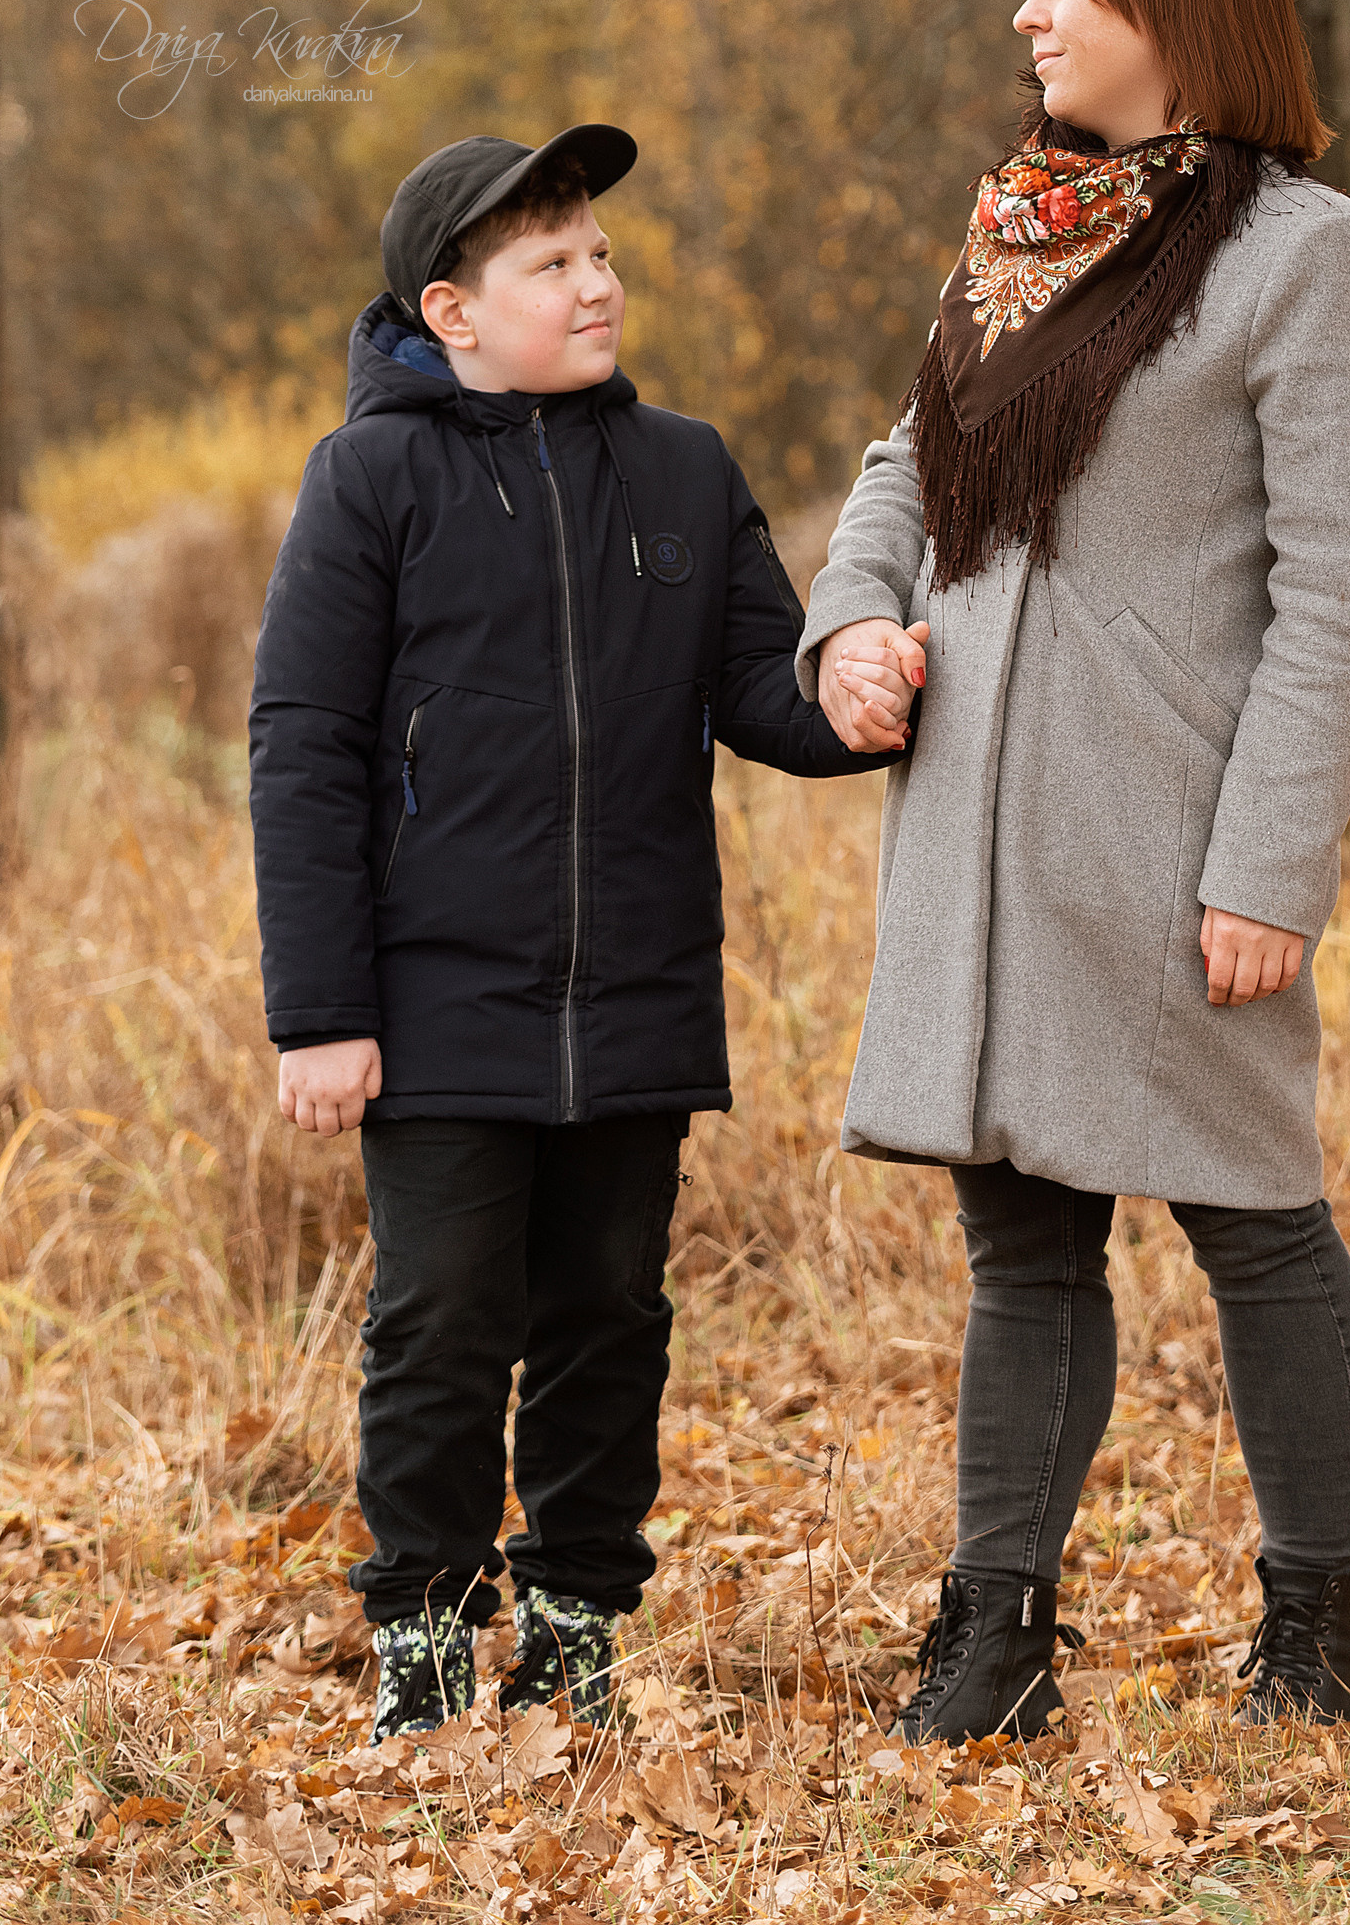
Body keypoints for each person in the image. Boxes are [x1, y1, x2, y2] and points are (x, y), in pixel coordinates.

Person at [800, 0, 1350, 1740]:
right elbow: (909, 467)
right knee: (1021, 1240)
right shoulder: (1024, 226)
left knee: (1252, 1216)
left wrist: (1271, 866)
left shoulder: (1313, 258)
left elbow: (1336, 599)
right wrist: (850, 623)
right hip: (977, 828)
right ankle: (997, 1645)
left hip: (1166, 834)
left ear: (1175, 5)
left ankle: (1312, 1640)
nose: (1030, 12)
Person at [249, 127, 890, 1745]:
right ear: (453, 311)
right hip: (434, 999)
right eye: (553, 264)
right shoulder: (370, 481)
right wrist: (319, 1012)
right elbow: (303, 746)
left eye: (600, 253)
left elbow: (764, 693)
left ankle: (577, 1625)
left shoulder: (681, 469)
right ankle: (423, 1640)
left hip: (637, 991)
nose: (598, 283)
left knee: (610, 1319)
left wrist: (862, 691)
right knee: (443, 1321)